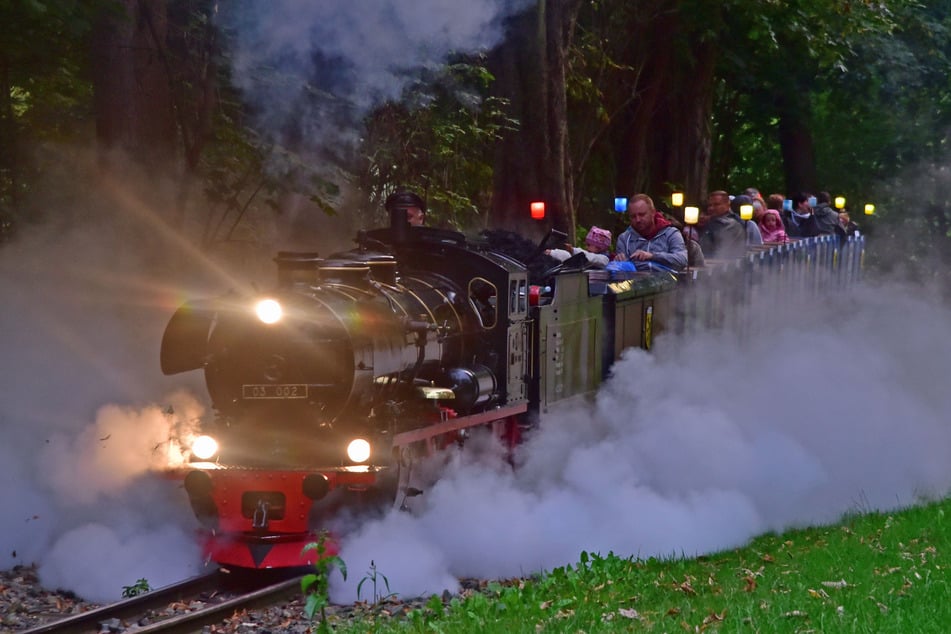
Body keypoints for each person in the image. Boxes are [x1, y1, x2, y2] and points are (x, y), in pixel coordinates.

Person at [614, 194, 688, 270]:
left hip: (668, 280)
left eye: (642, 215)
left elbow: (683, 260)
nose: (638, 220)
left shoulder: (671, 233)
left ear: (653, 212)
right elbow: (620, 273)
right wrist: (618, 262)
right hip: (635, 280)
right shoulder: (624, 239)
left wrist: (653, 256)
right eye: (633, 216)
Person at [698, 190, 747, 259]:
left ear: (727, 204)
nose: (711, 208)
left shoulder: (732, 224)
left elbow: (721, 252)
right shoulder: (710, 221)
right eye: (709, 205)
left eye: (716, 204)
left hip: (725, 266)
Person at [546, 226, 612, 267]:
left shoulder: (604, 260)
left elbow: (589, 257)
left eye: (589, 245)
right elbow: (568, 258)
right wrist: (552, 253)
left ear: (599, 247)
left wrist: (573, 250)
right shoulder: (588, 257)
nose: (586, 247)